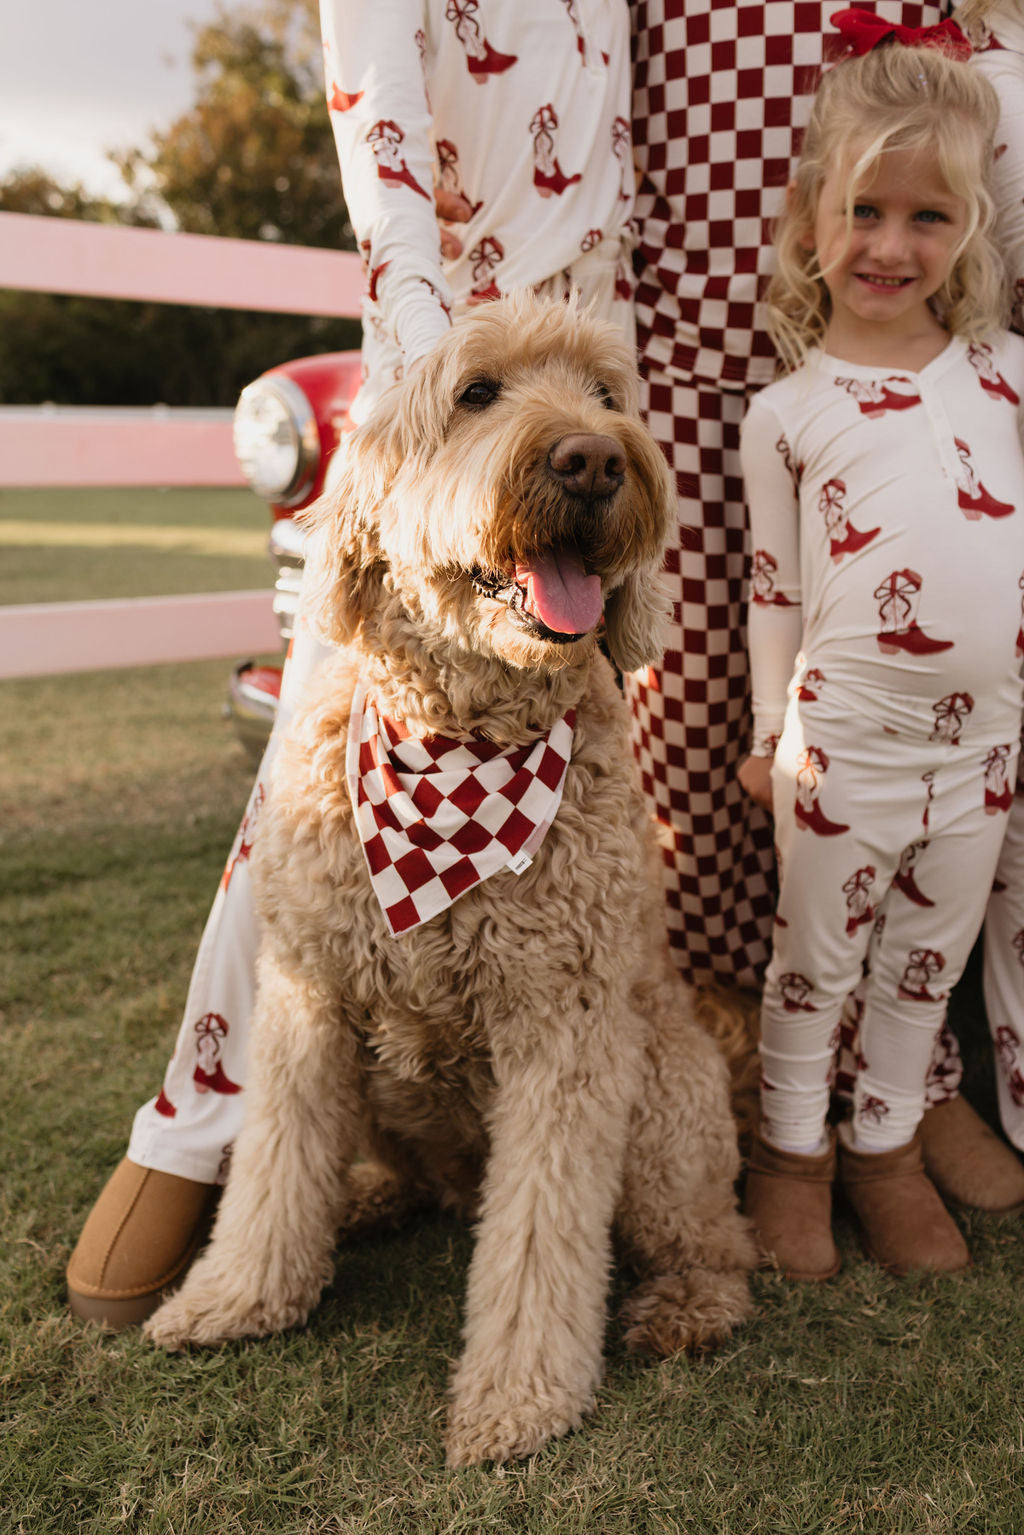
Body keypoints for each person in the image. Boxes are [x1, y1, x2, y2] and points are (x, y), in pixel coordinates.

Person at [65, 0, 637, 1326]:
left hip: (591, 369)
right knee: (312, 792)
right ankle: (195, 1120)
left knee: (571, 866)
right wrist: (431, 386)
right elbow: (376, 131)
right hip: (435, 379)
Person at [737, 14, 1024, 1281]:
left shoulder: (1006, 378)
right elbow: (773, 590)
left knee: (923, 964)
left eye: (926, 217)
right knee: (815, 965)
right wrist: (765, 735)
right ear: (812, 217)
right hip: (838, 749)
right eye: (864, 210)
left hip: (981, 755)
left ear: (966, 232)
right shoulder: (786, 413)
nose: (889, 244)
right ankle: (788, 1157)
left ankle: (887, 1150)